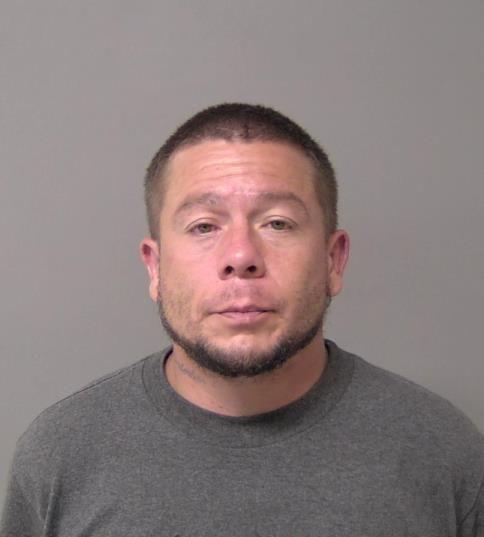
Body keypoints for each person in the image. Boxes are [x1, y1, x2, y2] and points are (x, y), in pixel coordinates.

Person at [1, 103, 483, 537]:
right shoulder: (59, 455)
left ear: (333, 260)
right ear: (155, 267)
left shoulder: (446, 454)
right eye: (203, 226)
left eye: (277, 223)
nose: (241, 256)